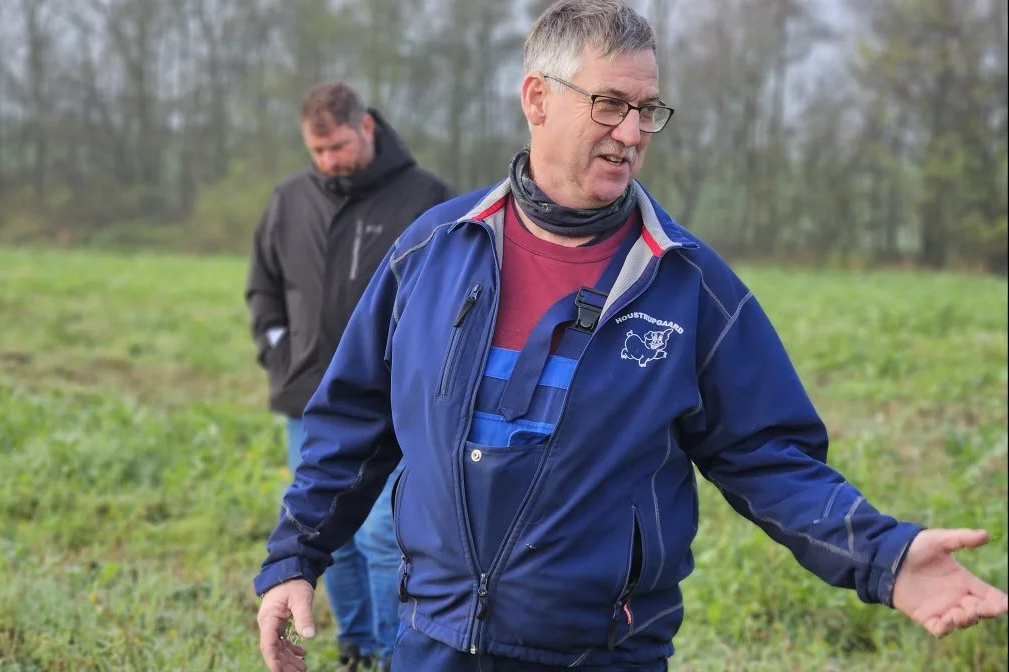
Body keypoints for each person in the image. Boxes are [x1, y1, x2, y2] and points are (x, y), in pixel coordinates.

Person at [252, 2, 1009, 671]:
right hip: (433, 642)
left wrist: (885, 556)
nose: (632, 132)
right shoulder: (433, 250)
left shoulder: (687, 285)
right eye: (610, 103)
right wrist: (295, 558)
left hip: (601, 651)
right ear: (537, 99)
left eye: (647, 109)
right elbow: (352, 421)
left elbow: (770, 457)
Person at [245, 80, 454, 671]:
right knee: (323, 534)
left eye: (337, 146)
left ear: (366, 128)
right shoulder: (289, 201)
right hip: (305, 399)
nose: (328, 162)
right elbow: (263, 287)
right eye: (317, 153)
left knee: (386, 537)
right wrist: (278, 351)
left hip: (393, 408)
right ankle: (355, 645)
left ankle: (394, 652)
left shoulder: (428, 199)